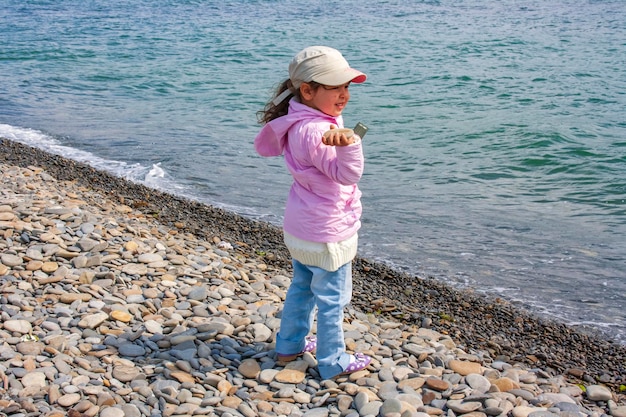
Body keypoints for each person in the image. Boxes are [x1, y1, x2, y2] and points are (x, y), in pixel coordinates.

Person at [254, 45, 371, 380]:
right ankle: (333, 361)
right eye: (335, 87)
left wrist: (341, 135)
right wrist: (350, 144)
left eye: (347, 86)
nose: (344, 94)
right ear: (308, 90)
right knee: (333, 299)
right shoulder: (319, 131)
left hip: (301, 225)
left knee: (303, 287)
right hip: (326, 231)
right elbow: (346, 175)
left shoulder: (300, 118)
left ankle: (289, 345)